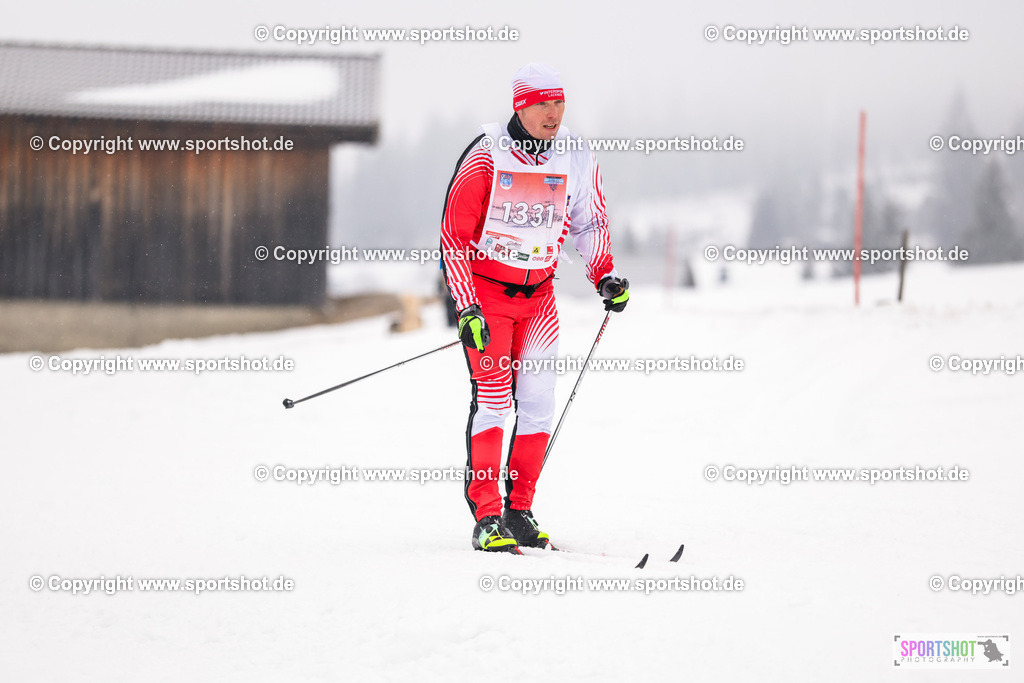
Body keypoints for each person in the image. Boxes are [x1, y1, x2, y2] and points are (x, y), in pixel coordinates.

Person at [440, 63, 629, 553]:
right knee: (496, 402)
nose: (554, 112)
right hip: (488, 296)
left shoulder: (575, 154)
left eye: (560, 102)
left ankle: (518, 510)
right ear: (520, 105)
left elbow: (589, 222)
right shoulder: (486, 156)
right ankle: (486, 517)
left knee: (540, 404)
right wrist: (466, 309)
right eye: (543, 103)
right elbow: (455, 239)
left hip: (540, 298)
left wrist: (603, 274)